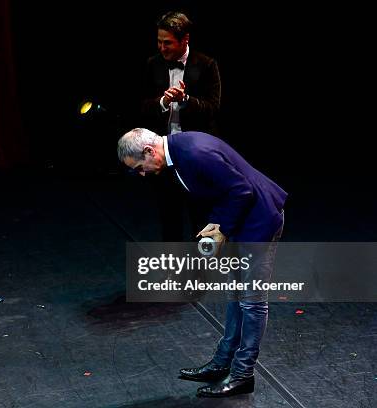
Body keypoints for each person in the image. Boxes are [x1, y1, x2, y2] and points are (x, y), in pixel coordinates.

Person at [117, 128, 286, 398]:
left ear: (149, 151)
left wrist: (220, 228)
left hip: (258, 220)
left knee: (252, 301)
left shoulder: (194, 153)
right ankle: (222, 363)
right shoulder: (180, 151)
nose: (141, 173)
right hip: (242, 221)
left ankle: (243, 374)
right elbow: (224, 191)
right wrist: (217, 225)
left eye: (140, 166)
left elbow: (241, 190)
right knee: (235, 296)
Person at [140, 11, 222, 242]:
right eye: (159, 41)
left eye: (167, 42)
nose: (162, 47)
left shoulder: (207, 65)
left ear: (185, 39)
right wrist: (163, 102)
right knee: (168, 216)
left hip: (197, 154)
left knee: (201, 217)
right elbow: (140, 106)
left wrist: (186, 101)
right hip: (164, 153)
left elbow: (213, 109)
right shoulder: (152, 64)